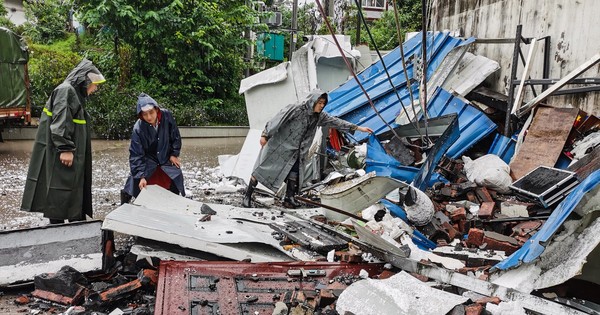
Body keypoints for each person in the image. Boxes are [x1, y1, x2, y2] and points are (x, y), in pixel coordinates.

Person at [242, 89, 373, 208]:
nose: (322, 105)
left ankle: (289, 198)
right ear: (313, 101)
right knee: (262, 169)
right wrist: (265, 134)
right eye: (320, 102)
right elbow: (278, 119)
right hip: (279, 146)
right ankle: (247, 196)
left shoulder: (320, 116)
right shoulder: (297, 109)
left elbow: (336, 122)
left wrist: (358, 128)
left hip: (296, 151)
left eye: (323, 103)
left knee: (295, 172)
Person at [21, 58, 105, 224]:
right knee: (59, 189)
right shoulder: (66, 91)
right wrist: (65, 148)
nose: (95, 88)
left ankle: (73, 222)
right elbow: (60, 122)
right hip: (62, 155)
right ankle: (59, 228)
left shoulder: (73, 93)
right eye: (94, 84)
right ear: (85, 79)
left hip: (72, 155)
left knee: (70, 189)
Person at [120, 93, 184, 204]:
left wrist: (174, 154)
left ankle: (174, 201)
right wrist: (141, 175)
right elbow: (136, 154)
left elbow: (175, 136)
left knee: (175, 176)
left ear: (156, 110)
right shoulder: (138, 128)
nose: (149, 117)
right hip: (148, 160)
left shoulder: (167, 116)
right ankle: (125, 203)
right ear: (141, 115)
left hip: (165, 156)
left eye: (151, 113)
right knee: (134, 182)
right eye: (145, 114)